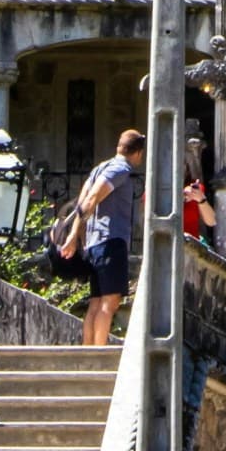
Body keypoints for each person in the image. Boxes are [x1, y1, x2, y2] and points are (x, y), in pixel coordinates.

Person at [78, 125, 145, 344]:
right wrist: (86, 210)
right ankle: (98, 353)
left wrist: (76, 235)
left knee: (96, 303)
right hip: (111, 241)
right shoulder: (120, 169)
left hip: (95, 243)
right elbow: (93, 197)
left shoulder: (100, 167)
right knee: (110, 303)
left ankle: (88, 352)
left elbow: (81, 201)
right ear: (137, 152)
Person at [183, 132, 216, 244]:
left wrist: (201, 200)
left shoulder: (195, 188)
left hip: (190, 248)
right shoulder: (155, 189)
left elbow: (211, 221)